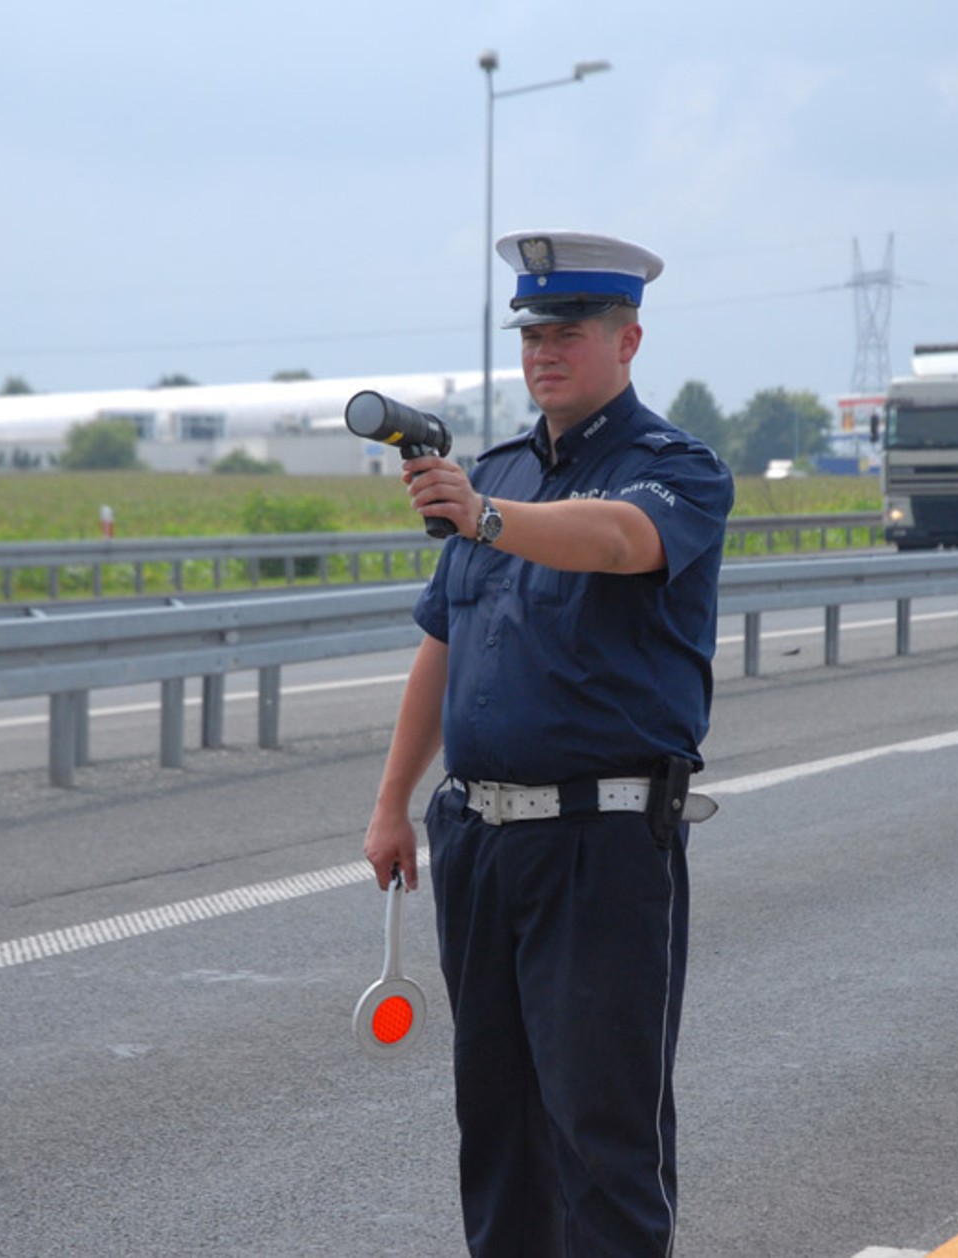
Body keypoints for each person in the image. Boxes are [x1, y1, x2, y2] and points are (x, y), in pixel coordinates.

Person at [363, 228, 734, 1256]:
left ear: (627, 341)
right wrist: (393, 800)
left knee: (600, 1133)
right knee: (497, 1126)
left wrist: (488, 517)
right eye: (531, 333)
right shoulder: (497, 471)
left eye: (567, 332)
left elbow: (618, 540)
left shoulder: (673, 469)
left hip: (600, 843)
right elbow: (446, 639)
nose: (542, 352)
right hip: (478, 839)